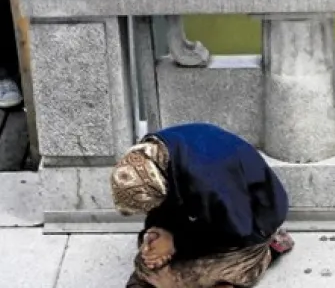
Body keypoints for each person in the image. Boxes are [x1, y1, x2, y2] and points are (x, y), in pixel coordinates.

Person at [110, 123, 296, 288]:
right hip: (206, 212)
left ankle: (266, 252)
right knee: (147, 261)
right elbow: (162, 202)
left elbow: (235, 230)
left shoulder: (208, 179)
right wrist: (155, 231)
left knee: (185, 274)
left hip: (249, 224)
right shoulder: (153, 154)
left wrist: (175, 243)